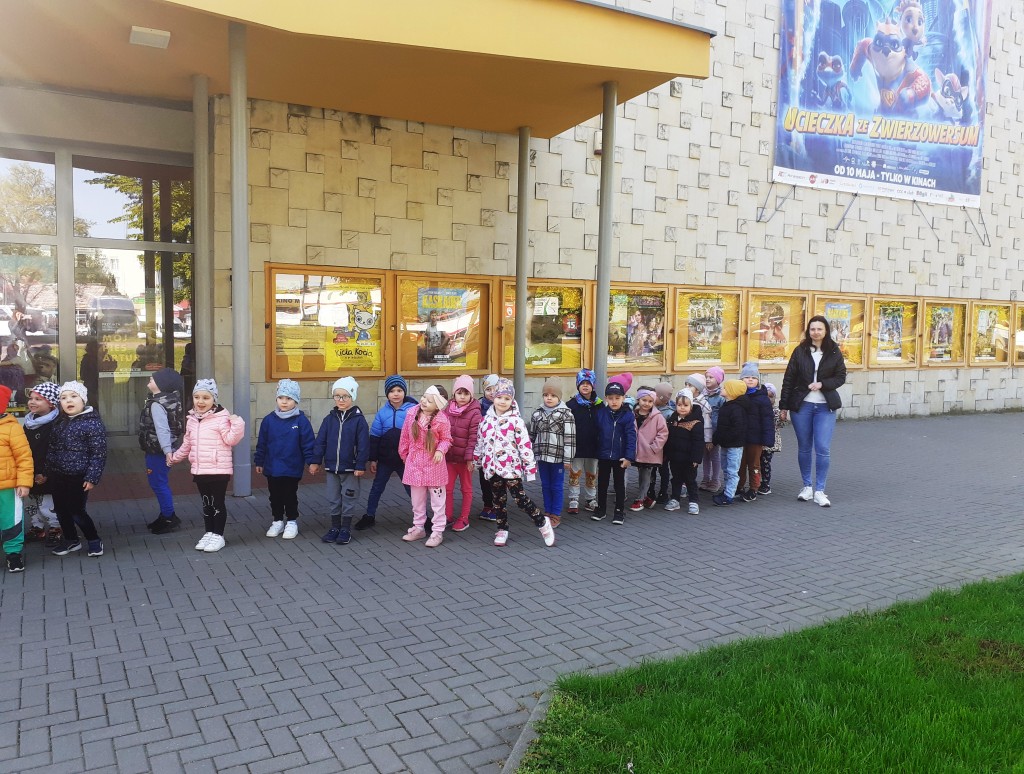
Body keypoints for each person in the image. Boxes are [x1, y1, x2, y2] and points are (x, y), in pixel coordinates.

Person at [473, 378, 554, 548]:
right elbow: (480, 442)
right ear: (493, 398)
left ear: (512, 400)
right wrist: (477, 460)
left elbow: (525, 446)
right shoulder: (485, 421)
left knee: (520, 499)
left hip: (511, 468)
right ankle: (502, 529)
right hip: (493, 468)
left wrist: (529, 468)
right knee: (498, 500)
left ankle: (542, 522)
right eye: (499, 397)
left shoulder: (516, 421)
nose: (502, 401)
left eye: (507, 398)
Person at [169, 379, 246, 553]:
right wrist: (175, 458)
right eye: (197, 397)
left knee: (217, 503)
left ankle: (218, 535)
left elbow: (231, 440)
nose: (200, 401)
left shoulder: (221, 418)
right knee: (206, 504)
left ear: (214, 399)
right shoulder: (192, 420)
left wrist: (237, 423)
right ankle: (209, 532)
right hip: (200, 469)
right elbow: (187, 444)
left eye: (206, 397)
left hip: (218, 469)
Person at [780, 315, 848, 507]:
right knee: (804, 447)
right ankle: (807, 487)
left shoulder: (833, 351)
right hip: (802, 406)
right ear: (808, 331)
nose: (816, 332)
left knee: (822, 448)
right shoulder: (800, 351)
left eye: (819, 329)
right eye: (812, 329)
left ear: (826, 331)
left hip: (825, 407)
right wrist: (783, 406)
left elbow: (841, 376)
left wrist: (822, 384)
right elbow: (789, 378)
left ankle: (820, 490)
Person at [46, 381, 108, 557]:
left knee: (76, 511)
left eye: (73, 396)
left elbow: (98, 453)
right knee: (60, 510)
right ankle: (71, 540)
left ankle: (94, 540)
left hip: (79, 476)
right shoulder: (59, 421)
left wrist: (92, 477)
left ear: (83, 400)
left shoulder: (92, 423)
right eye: (64, 398)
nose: (68, 401)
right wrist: (48, 470)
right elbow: (52, 447)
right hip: (58, 474)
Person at [255, 379, 317, 540]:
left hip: (291, 466)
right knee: (275, 496)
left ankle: (291, 521)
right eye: (281, 397)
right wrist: (259, 461)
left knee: (289, 495)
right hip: (272, 467)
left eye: (289, 398)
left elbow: (308, 443)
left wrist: (312, 461)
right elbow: (262, 443)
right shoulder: (268, 420)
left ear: (296, 400)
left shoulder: (301, 421)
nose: (284, 401)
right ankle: (277, 521)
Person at [312, 377, 369, 545]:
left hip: (350, 468)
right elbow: (321, 441)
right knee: (333, 498)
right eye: (337, 396)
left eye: (345, 396)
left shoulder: (359, 420)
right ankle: (335, 527)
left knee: (349, 498)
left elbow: (364, 444)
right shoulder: (329, 419)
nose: (341, 400)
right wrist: (316, 461)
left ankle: (345, 528)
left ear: (352, 397)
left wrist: (360, 464)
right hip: (332, 468)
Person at [359, 374, 415, 531]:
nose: (396, 394)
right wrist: (373, 459)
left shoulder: (413, 411)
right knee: (377, 488)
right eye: (392, 391)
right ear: (387, 394)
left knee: (412, 490)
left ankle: (422, 517)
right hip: (385, 460)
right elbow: (375, 437)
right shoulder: (382, 413)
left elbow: (418, 436)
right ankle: (369, 515)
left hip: (405, 460)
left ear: (404, 392)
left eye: (399, 390)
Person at [398, 385, 452, 548]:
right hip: (415, 464)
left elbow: (446, 439)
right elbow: (405, 436)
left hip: (434, 466)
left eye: (429, 400)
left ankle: (437, 531)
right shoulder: (411, 414)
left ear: (437, 405)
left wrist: (440, 450)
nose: (424, 401)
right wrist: (404, 455)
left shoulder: (442, 420)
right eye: (424, 397)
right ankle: (418, 527)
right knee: (417, 501)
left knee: (438, 502)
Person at [138, 367, 184, 534]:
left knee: (158, 483)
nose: (149, 380)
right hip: (164, 448)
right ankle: (165, 514)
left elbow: (162, 429)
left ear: (161, 384)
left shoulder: (157, 404)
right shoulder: (170, 400)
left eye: (153, 379)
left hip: (158, 451)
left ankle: (169, 516)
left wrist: (166, 451)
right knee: (159, 481)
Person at [528, 377, 576, 529]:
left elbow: (570, 438)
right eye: (546, 395)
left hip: (558, 458)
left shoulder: (566, 414)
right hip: (542, 456)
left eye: (553, 395)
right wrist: (528, 455)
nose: (549, 398)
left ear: (559, 397)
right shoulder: (537, 413)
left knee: (556, 485)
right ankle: (547, 512)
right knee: (545, 485)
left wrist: (568, 459)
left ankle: (555, 513)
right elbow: (531, 436)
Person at [592, 374, 637, 525]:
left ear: (623, 398)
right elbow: (596, 433)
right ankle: (601, 509)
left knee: (619, 485)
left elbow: (631, 437)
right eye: (610, 398)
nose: (614, 401)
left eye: (617, 398)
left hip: (620, 456)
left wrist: (629, 457)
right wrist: (596, 451)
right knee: (602, 484)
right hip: (604, 455)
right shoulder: (601, 414)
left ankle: (619, 511)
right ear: (606, 399)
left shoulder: (628, 415)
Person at [23, 382, 61, 546]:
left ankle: (55, 527)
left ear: (51, 403)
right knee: (31, 502)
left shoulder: (55, 424)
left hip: (47, 472)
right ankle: (37, 527)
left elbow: (55, 451)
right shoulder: (29, 422)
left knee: (48, 503)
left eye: (38, 399)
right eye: (31, 398)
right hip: (29, 470)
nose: (32, 402)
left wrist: (45, 472)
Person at [0, 385, 33, 573]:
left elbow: (24, 457)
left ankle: (13, 554)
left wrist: (24, 483)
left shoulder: (12, 428)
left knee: (11, 520)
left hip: (9, 486)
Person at [443, 375, 481, 533]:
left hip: (465, 460)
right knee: (447, 488)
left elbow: (474, 437)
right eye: (459, 393)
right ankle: (447, 515)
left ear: (471, 395)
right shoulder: (446, 410)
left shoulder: (475, 413)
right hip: (449, 457)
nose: (462, 397)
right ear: (454, 394)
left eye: (466, 393)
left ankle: (464, 517)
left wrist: (470, 458)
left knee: (466, 489)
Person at [736, 362, 775, 503]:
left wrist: (768, 439)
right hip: (741, 437)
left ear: (758, 380)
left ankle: (754, 488)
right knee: (740, 464)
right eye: (747, 377)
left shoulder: (763, 398)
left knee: (754, 464)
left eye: (753, 377)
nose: (750, 380)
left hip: (756, 438)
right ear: (741, 379)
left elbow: (768, 420)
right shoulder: (738, 395)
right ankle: (738, 486)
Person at [664, 388, 705, 514]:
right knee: (676, 479)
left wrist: (696, 459)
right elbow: (668, 438)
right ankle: (675, 499)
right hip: (675, 457)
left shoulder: (696, 423)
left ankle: (693, 501)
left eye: (685, 405)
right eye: (679, 405)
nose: (682, 408)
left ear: (691, 406)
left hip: (689, 459)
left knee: (690, 480)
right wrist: (667, 454)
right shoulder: (673, 420)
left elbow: (698, 442)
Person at [567, 369, 601, 515]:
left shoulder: (599, 405)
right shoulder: (571, 405)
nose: (585, 386)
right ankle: (573, 498)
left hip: (594, 446)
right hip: (577, 447)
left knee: (592, 473)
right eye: (582, 383)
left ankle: (590, 499)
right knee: (575, 473)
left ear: (593, 385)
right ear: (578, 385)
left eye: (588, 383)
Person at [630, 386, 667, 512]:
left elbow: (663, 433)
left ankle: (640, 499)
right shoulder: (633, 415)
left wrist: (654, 447)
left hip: (650, 452)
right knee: (641, 474)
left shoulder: (657, 416)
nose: (647, 403)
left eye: (650, 401)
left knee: (646, 475)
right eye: (644, 400)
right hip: (638, 451)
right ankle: (646, 498)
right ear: (638, 400)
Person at [711, 380, 748, 506]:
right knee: (726, 469)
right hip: (725, 444)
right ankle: (727, 490)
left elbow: (737, 429)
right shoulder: (726, 406)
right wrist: (716, 440)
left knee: (732, 470)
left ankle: (729, 495)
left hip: (734, 445)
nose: (722, 389)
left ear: (732, 391)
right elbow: (721, 426)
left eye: (725, 388)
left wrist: (724, 438)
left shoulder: (737, 409)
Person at [698, 367, 726, 492]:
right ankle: (705, 479)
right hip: (702, 430)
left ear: (718, 380)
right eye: (706, 377)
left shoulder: (721, 397)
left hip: (714, 432)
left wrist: (717, 435)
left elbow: (723, 416)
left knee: (714, 455)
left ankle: (715, 480)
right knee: (705, 456)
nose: (708, 379)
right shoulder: (701, 394)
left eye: (711, 377)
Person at [476, 374, 499, 521]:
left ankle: (498, 506)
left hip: (499, 450)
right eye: (488, 389)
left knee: (497, 479)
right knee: (484, 478)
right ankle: (487, 504)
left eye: (495, 389)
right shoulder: (478, 406)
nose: (492, 392)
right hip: (484, 450)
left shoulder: (504, 404)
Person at [649, 382, 676, 502]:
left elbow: (668, 433)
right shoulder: (651, 408)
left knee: (663, 469)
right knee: (652, 469)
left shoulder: (668, 413)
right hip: (652, 446)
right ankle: (650, 490)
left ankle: (663, 492)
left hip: (663, 448)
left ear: (660, 397)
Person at [758, 383, 786, 495]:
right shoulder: (758, 409)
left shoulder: (775, 411)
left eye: (771, 396)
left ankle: (766, 484)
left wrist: (782, 419)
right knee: (757, 463)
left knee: (765, 463)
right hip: (759, 441)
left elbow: (780, 425)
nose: (768, 399)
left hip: (770, 444)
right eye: (766, 396)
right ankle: (757, 482)